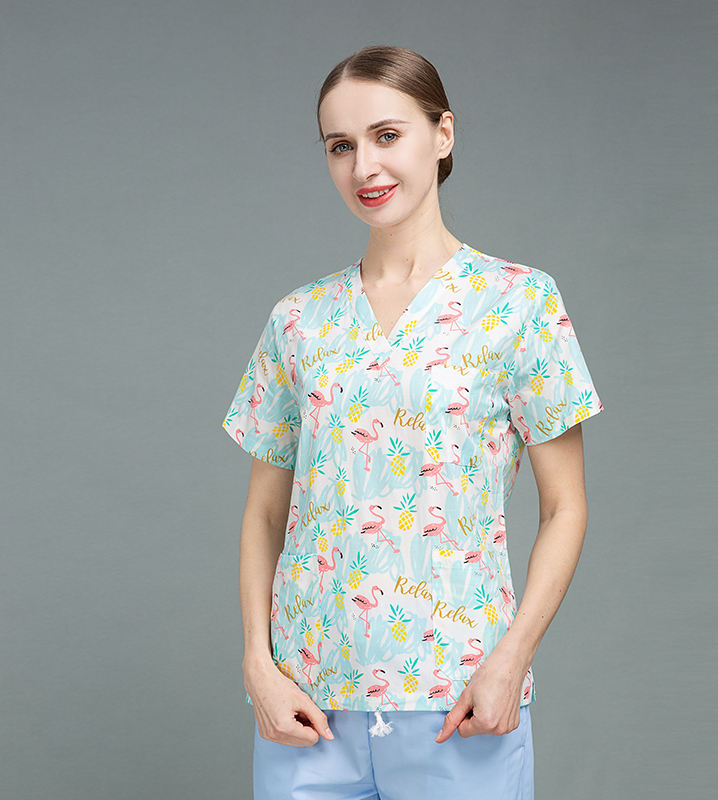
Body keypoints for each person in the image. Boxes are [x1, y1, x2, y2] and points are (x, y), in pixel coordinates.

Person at [221, 45, 605, 800]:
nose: (364, 166)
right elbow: (265, 514)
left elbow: (566, 507)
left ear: (443, 134)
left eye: (387, 135)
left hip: (458, 703)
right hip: (306, 707)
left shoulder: (520, 303)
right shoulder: (298, 320)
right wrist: (258, 666)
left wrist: (512, 660)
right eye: (340, 145)